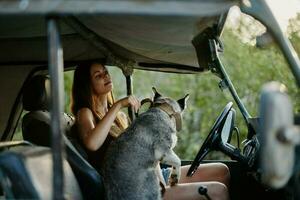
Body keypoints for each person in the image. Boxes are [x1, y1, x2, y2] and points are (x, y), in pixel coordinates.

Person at [70, 61, 230, 200]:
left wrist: (161, 178)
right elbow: (92, 143)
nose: (106, 76)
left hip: (151, 173)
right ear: (87, 84)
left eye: (106, 72)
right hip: (134, 187)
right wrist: (119, 105)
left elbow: (148, 149)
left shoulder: (119, 117)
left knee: (222, 171)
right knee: (218, 191)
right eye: (98, 75)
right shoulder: (85, 112)